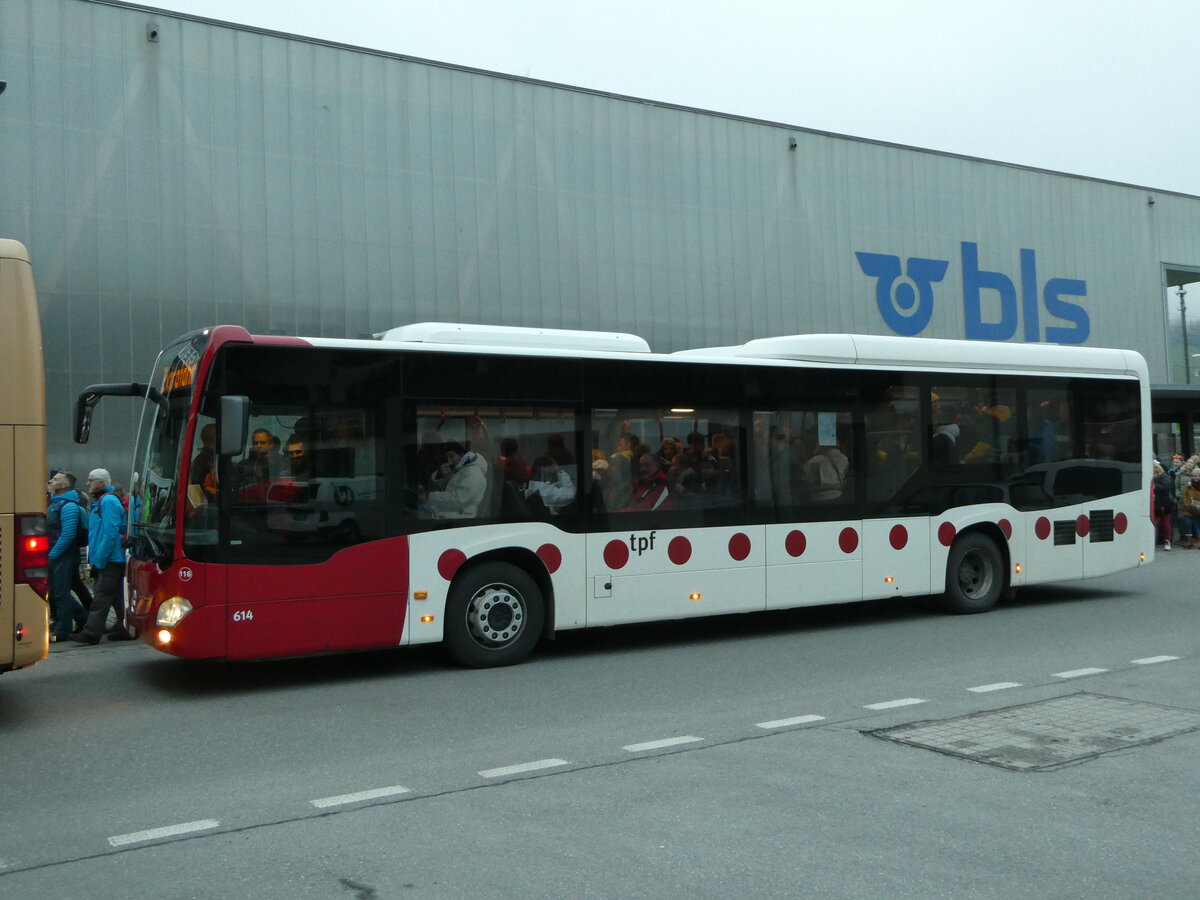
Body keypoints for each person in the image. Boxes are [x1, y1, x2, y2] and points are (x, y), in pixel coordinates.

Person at [70, 468, 133, 643]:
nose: (87, 483)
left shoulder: (107, 502)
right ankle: (125, 625)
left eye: (91, 480)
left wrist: (100, 559)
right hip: (110, 558)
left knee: (102, 595)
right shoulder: (106, 501)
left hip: (108, 559)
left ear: (101, 483)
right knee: (113, 595)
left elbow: (110, 533)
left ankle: (91, 632)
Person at [46, 472, 89, 642]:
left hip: (63, 556)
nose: (51, 481)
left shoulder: (68, 506)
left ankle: (64, 628)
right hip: (58, 555)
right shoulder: (56, 504)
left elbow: (68, 534)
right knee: (58, 591)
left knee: (60, 592)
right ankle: (81, 619)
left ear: (65, 485)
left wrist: (52, 555)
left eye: (56, 479)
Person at [420, 442, 488, 518]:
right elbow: (438, 489)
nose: (449, 461)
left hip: (459, 517)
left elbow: (460, 498)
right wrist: (439, 475)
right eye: (447, 458)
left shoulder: (472, 472)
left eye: (451, 456)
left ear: (462, 454)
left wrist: (429, 496)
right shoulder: (459, 470)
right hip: (450, 513)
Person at [1151, 461, 1174, 552]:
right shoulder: (1152, 477)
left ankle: (1167, 540)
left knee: (1165, 523)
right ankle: (1152, 541)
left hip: (1164, 503)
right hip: (1154, 503)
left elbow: (1166, 487)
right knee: (1154, 523)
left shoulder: (1164, 477)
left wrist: (1153, 486)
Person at [1180, 471, 1200, 549]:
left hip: (1198, 510)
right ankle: (1189, 541)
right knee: (1188, 524)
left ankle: (1198, 542)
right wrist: (1187, 504)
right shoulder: (1188, 486)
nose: (1195, 478)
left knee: (1198, 525)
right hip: (1189, 508)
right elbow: (1185, 495)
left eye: (1197, 476)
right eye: (1194, 476)